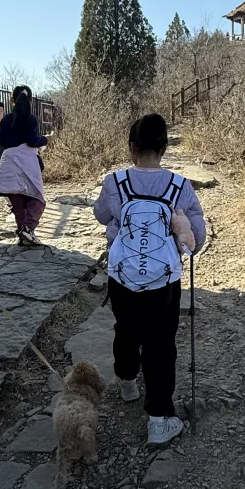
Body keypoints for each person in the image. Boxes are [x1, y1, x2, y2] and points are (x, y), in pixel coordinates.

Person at [94, 113, 205, 446]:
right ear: (163, 147)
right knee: (160, 343)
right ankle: (159, 419)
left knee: (126, 329)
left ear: (131, 147)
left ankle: (127, 382)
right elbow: (195, 237)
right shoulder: (180, 186)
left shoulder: (114, 182)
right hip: (163, 281)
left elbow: (101, 214)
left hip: (122, 275)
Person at [0, 84, 48, 247]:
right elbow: (32, 141)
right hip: (26, 162)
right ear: (31, 100)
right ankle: (28, 228)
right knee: (37, 198)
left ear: (12, 100)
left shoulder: (5, 120)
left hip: (8, 162)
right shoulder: (30, 119)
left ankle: (23, 235)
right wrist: (44, 139)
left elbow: (1, 142)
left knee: (17, 202)